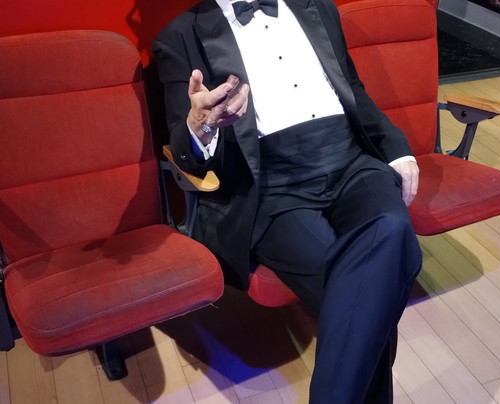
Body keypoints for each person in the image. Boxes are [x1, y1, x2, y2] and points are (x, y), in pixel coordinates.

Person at [152, 0, 423, 402]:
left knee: (391, 228)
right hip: (270, 187)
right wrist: (200, 126)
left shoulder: (319, 7)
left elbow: (352, 87)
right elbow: (183, 146)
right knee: (367, 290)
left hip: (351, 162)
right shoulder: (179, 36)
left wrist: (395, 147)